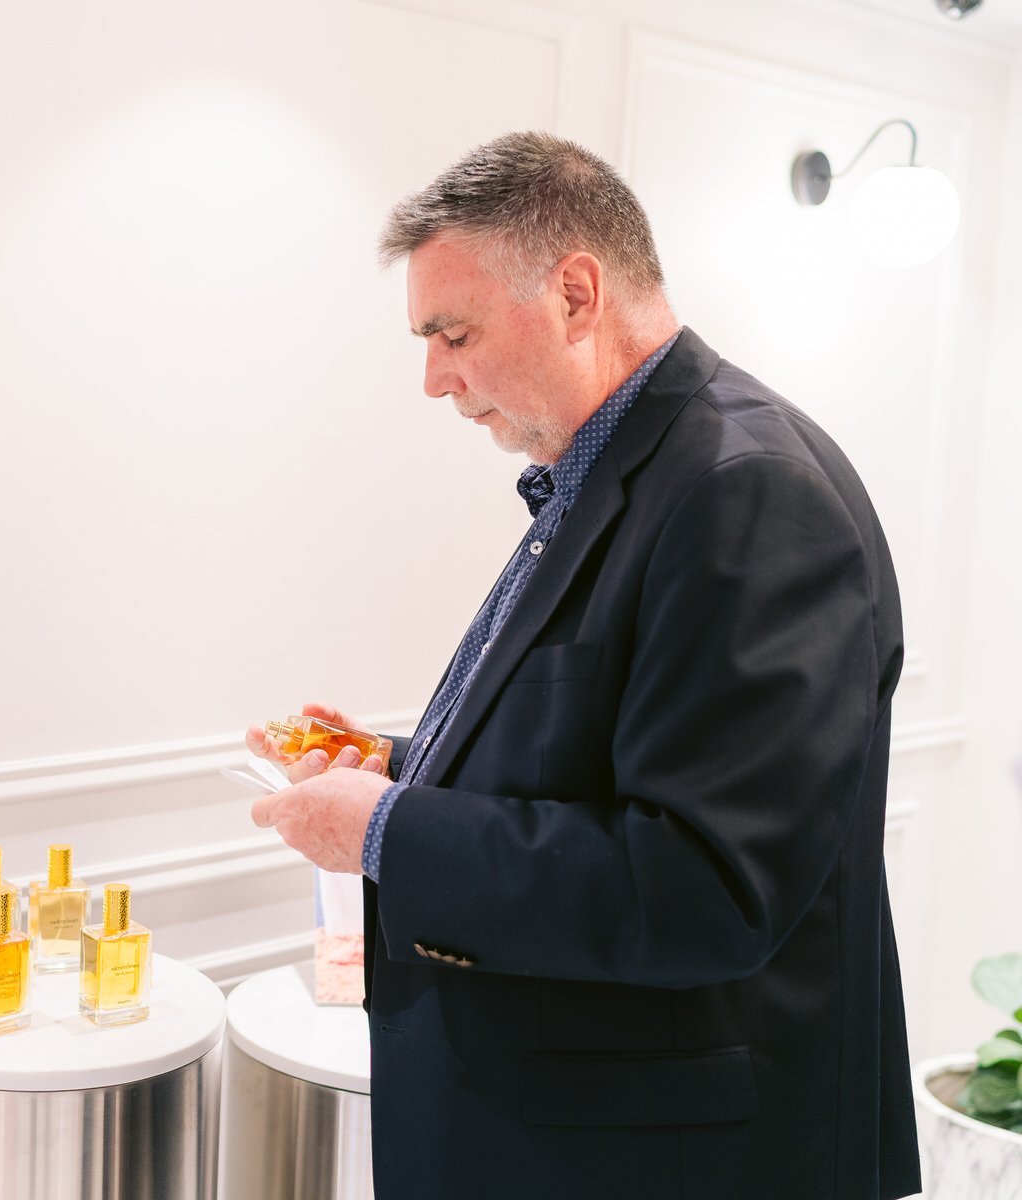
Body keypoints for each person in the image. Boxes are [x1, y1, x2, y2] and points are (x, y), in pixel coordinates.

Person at [247, 131, 921, 1199]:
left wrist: (384, 828)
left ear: (573, 292)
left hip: (675, 1160)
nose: (435, 379)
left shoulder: (747, 490)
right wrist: (397, 763)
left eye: (452, 332)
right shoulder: (625, 471)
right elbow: (602, 749)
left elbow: (702, 885)